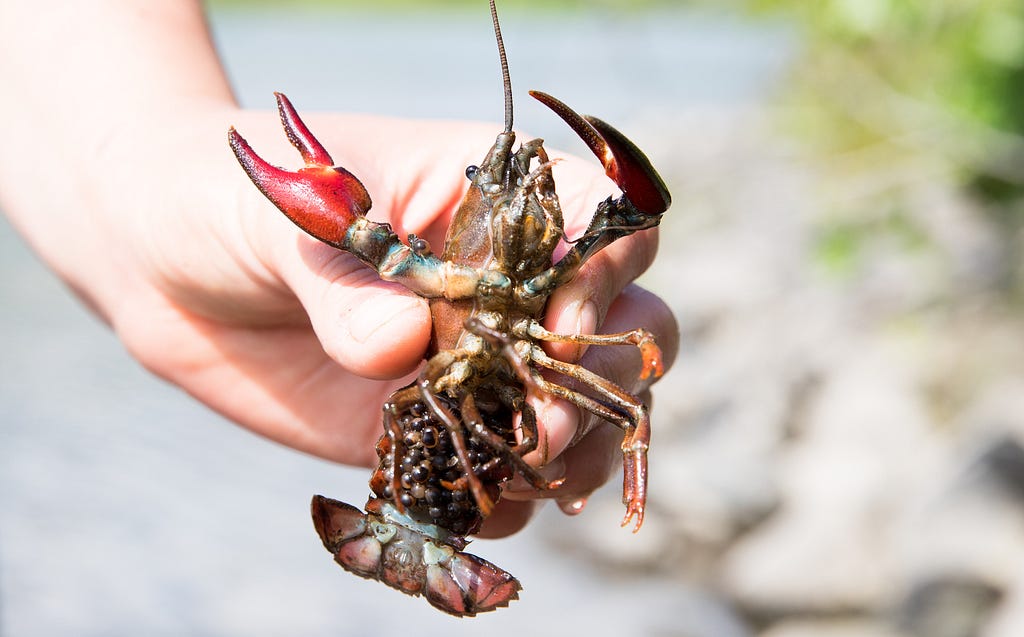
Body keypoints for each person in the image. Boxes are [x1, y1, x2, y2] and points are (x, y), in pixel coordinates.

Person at [0, 0, 677, 537]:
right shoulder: (426, 274)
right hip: (440, 415)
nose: (520, 181)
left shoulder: (543, 268)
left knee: (617, 404)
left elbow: (637, 217)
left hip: (462, 426)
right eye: (485, 177)